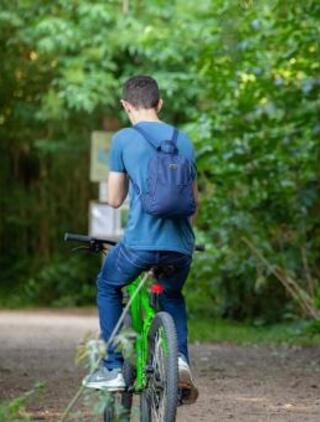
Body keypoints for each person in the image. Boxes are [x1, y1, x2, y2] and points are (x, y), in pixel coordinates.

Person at [82, 75, 199, 404]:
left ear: (125, 106)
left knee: (108, 285)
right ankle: (179, 361)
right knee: (172, 295)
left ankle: (114, 366)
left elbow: (115, 199)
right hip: (180, 248)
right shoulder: (184, 140)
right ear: (160, 103)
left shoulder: (122, 139)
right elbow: (194, 203)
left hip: (140, 245)